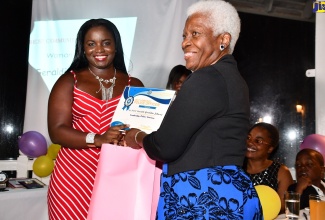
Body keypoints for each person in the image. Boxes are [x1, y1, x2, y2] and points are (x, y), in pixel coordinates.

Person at [124, 0, 263, 219]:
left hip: (202, 198)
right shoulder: (233, 79)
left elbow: (164, 147)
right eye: (184, 35)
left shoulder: (206, 78)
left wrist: (137, 136)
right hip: (229, 195)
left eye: (195, 34)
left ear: (223, 40)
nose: (185, 43)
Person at [47, 18, 143, 220]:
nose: (99, 49)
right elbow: (56, 131)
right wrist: (98, 139)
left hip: (117, 175)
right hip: (72, 177)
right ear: (83, 49)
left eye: (106, 42)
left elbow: (142, 128)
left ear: (116, 46)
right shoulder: (69, 81)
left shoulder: (134, 84)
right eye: (91, 44)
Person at [244, 122, 294, 213]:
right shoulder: (236, 169)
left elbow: (284, 207)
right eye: (248, 138)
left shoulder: (281, 172)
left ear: (270, 148)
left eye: (258, 141)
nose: (250, 142)